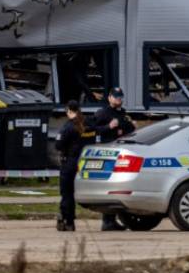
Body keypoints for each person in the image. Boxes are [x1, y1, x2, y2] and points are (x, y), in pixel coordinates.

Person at [92, 87, 136, 231]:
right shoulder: (103, 113)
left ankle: (113, 220)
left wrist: (132, 126)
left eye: (120, 97)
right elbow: (92, 129)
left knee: (118, 188)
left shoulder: (123, 113)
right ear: (110, 97)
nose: (119, 99)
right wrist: (108, 126)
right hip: (108, 153)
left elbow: (127, 129)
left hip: (121, 153)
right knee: (109, 187)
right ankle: (107, 221)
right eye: (116, 97)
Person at [55, 101, 96, 232]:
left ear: (68, 111)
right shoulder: (89, 124)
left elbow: (58, 145)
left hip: (70, 163)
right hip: (86, 162)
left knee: (67, 193)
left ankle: (68, 221)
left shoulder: (68, 127)